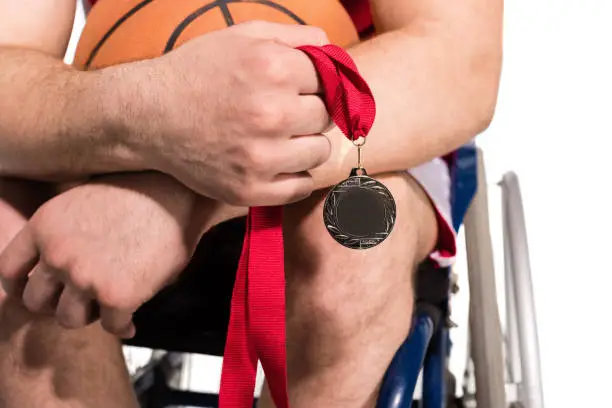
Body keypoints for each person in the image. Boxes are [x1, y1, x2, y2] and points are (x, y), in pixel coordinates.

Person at [0, 0, 502, 406]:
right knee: (6, 241)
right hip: (128, 124)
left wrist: (175, 189)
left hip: (363, 135)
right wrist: (152, 123)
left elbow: (456, 63)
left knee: (354, 245)